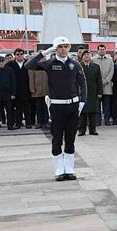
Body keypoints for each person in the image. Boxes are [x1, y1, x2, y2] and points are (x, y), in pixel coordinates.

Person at [25, 36, 86, 182]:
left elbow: (83, 84)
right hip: (57, 105)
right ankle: (59, 168)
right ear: (56, 48)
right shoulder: (49, 63)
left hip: (73, 105)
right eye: (60, 47)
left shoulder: (75, 64)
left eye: (66, 46)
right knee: (57, 137)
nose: (63, 49)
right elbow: (29, 65)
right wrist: (45, 52)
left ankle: (69, 167)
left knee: (70, 137)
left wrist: (82, 102)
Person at [78, 50, 102, 136]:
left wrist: (100, 92)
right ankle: (81, 130)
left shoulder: (96, 66)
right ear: (82, 56)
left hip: (93, 92)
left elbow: (99, 80)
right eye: (85, 55)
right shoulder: (78, 66)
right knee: (82, 112)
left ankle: (93, 129)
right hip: (82, 92)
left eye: (88, 54)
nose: (87, 56)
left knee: (93, 112)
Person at [7, 48, 32, 129]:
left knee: (27, 108)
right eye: (17, 54)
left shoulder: (28, 63)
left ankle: (28, 123)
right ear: (15, 55)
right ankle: (18, 123)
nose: (19, 55)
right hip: (16, 90)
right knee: (18, 108)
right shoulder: (10, 64)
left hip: (27, 89)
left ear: (23, 54)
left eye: (21, 54)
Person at [92, 44, 114, 126]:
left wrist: (107, 80)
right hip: (97, 86)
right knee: (97, 105)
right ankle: (97, 121)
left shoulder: (110, 60)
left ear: (105, 50)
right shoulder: (93, 59)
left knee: (107, 105)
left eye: (103, 49)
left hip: (107, 85)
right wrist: (99, 81)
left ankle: (107, 120)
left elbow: (112, 71)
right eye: (100, 49)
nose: (102, 51)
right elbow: (92, 71)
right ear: (97, 50)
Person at [28, 52, 50, 129]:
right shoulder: (33, 65)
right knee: (38, 107)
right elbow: (31, 78)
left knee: (46, 107)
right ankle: (40, 122)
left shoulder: (46, 65)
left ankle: (46, 121)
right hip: (37, 89)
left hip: (46, 90)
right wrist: (32, 89)